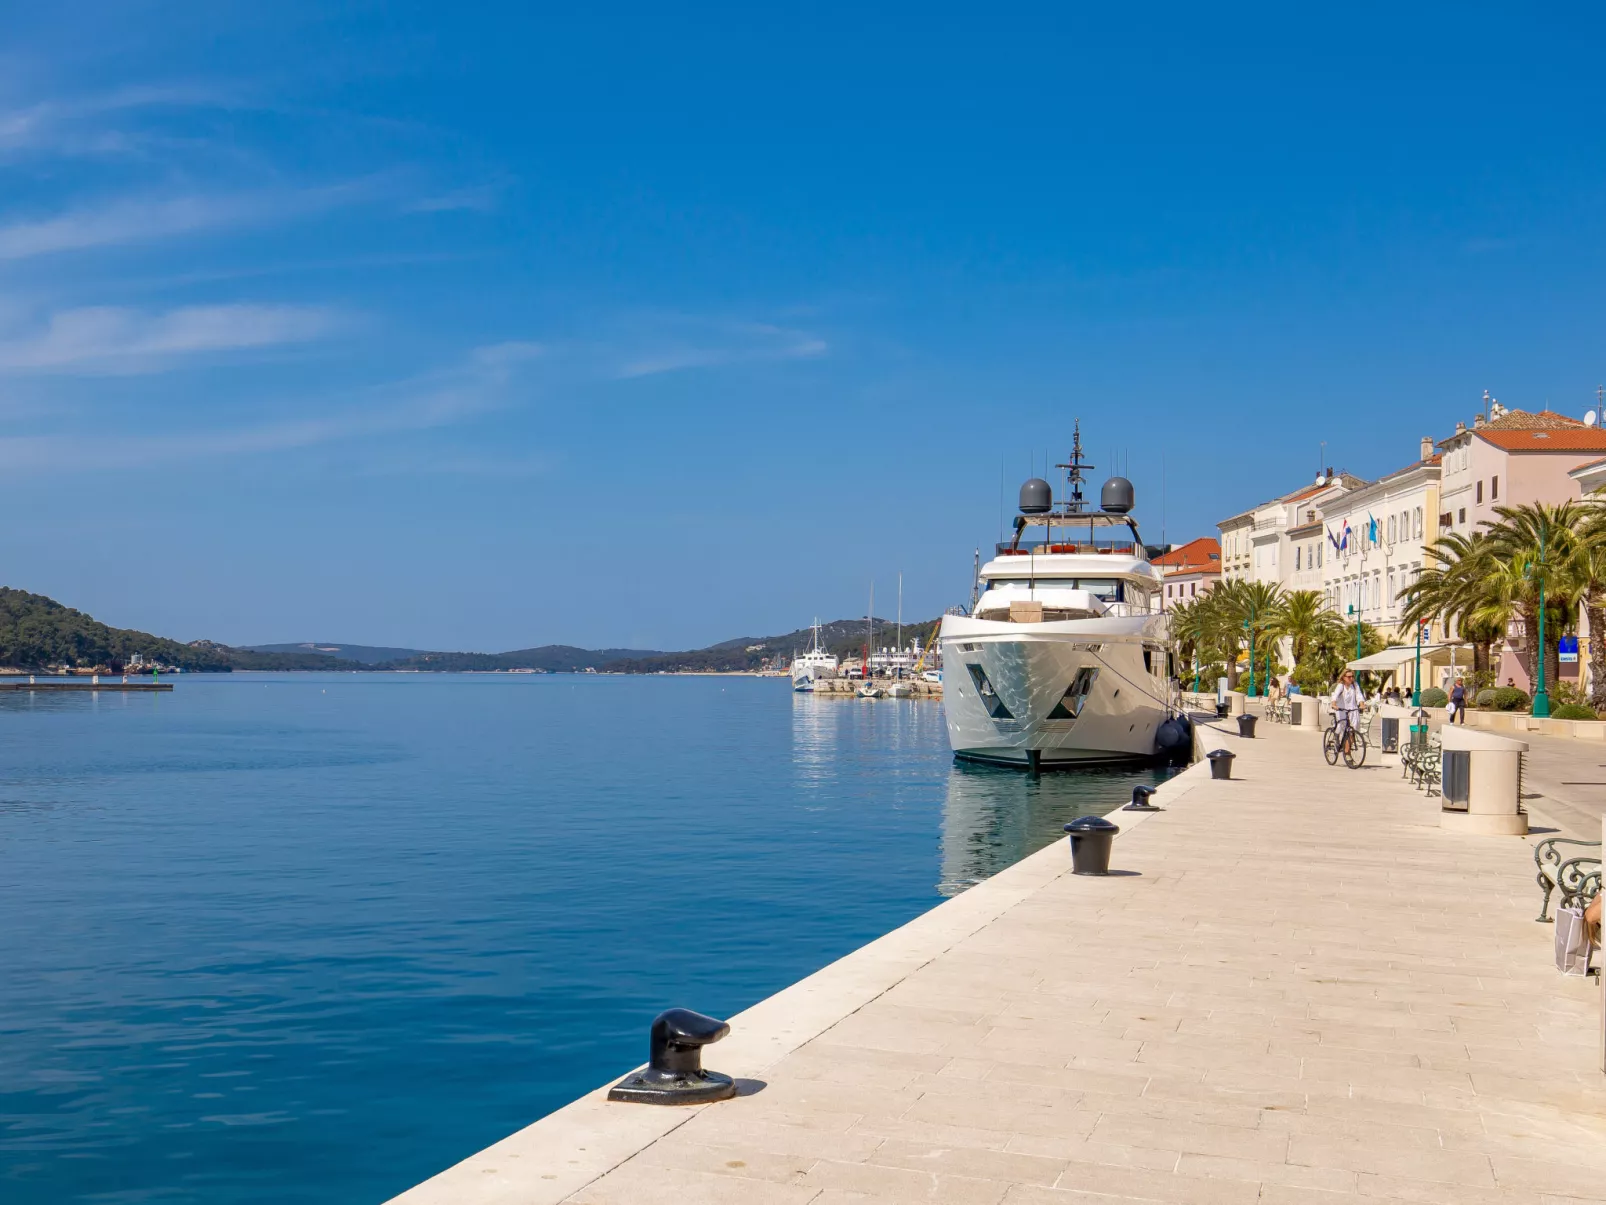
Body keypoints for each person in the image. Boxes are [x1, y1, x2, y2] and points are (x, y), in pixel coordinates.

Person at [1330, 668, 1365, 757]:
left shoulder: (1355, 685)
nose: (1351, 678)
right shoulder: (1341, 686)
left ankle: (1347, 750)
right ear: (1344, 677)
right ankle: (1344, 748)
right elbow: (1335, 695)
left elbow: (1359, 695)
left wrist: (1362, 704)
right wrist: (1334, 704)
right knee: (1342, 728)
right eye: (1349, 676)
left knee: (1353, 730)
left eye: (1352, 676)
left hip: (1353, 710)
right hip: (1341, 710)